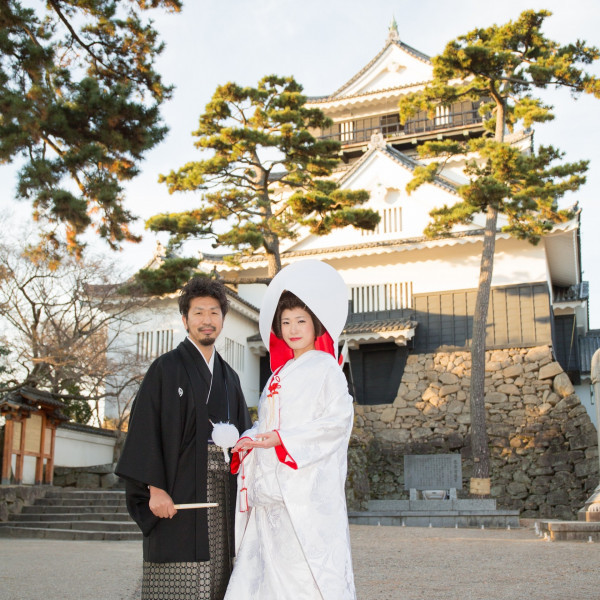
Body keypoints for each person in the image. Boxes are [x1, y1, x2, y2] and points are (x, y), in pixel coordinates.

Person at [224, 259, 356, 600]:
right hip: (270, 489)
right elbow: (269, 424)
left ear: (315, 325)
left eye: (301, 321)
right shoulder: (276, 375)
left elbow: (337, 423)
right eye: (285, 322)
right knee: (265, 571)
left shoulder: (327, 368)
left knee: (302, 574)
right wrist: (251, 438)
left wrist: (284, 440)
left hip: (304, 492)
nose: (293, 329)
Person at [115, 277, 252, 600]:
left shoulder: (229, 377)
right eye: (199, 312)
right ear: (185, 320)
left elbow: (245, 438)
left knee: (218, 579)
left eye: (214, 313)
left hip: (220, 498)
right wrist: (154, 488)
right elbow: (145, 430)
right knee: (176, 581)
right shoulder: (165, 369)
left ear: (223, 319)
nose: (207, 320)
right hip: (176, 492)